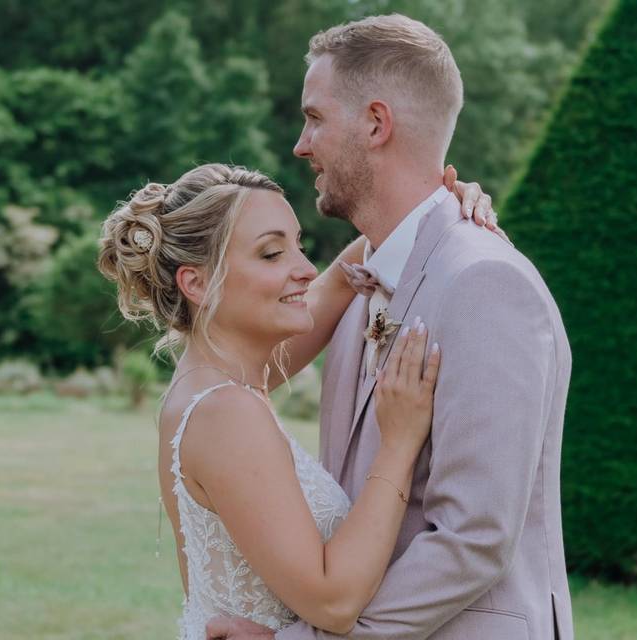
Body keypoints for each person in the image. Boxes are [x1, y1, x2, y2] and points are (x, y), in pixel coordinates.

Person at [208, 13, 574, 640]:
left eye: (315, 117)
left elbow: (473, 538)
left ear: (376, 124)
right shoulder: (364, 287)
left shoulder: (487, 283)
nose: (300, 143)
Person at [96, 163, 495, 639]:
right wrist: (400, 443)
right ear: (196, 283)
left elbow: (342, 278)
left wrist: (439, 209)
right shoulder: (226, 413)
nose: (305, 269)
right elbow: (335, 601)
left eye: (298, 245)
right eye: (270, 254)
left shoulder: (220, 377)